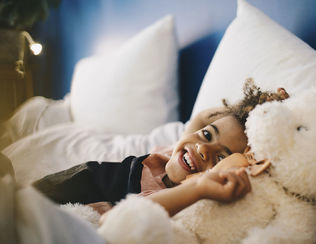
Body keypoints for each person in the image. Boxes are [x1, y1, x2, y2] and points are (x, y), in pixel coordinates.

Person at [33, 78, 289, 214]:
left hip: (71, 203)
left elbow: (122, 219)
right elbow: (201, 118)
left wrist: (200, 188)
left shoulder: (176, 199)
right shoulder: (180, 149)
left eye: (221, 158)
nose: (202, 148)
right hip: (70, 179)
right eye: (207, 136)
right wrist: (257, 108)